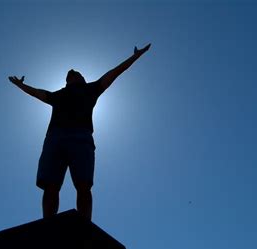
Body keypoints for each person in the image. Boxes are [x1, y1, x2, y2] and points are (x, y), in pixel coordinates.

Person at [8, 44, 151, 220]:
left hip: (80, 138)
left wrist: (135, 57)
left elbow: (115, 72)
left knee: (83, 186)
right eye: (71, 75)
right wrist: (20, 85)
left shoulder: (91, 89)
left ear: (82, 79)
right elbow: (37, 93)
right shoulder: (58, 95)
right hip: (55, 138)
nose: (74, 75)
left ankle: (85, 227)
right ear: (67, 81)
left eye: (77, 74)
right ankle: (47, 225)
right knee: (51, 186)